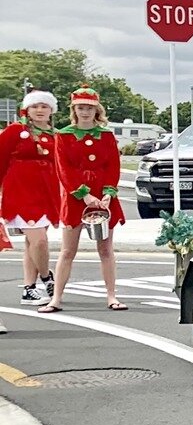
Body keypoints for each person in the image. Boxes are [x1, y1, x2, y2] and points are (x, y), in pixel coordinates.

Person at [43, 88, 125, 312]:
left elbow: (113, 165)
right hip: (76, 197)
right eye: (81, 107)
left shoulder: (106, 135)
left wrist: (108, 193)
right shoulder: (64, 135)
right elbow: (64, 169)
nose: (85, 112)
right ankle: (56, 298)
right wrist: (84, 195)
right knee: (68, 250)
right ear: (74, 110)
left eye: (89, 107)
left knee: (106, 249)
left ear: (96, 110)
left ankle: (111, 296)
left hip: (103, 197)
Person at [1, 89, 61, 304]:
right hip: (21, 191)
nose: (39, 110)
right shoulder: (15, 131)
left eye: (44, 106)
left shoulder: (55, 135)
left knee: (31, 243)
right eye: (35, 106)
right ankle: (47, 277)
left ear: (51, 111)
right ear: (27, 109)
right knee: (39, 242)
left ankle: (29, 288)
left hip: (48, 192)